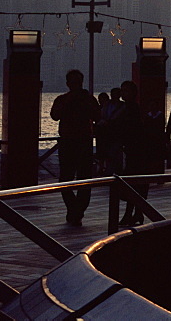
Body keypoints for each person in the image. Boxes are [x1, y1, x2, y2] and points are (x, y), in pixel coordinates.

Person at [50, 69, 100, 227]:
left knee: (84, 179)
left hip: (82, 142)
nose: (75, 85)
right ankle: (74, 208)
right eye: (73, 82)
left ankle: (76, 210)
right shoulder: (63, 99)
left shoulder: (88, 99)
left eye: (77, 82)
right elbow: (54, 115)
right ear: (68, 84)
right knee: (65, 179)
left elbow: (97, 116)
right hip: (68, 142)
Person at [119, 80, 147, 226]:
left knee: (130, 182)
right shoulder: (130, 107)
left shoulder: (131, 109)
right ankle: (136, 212)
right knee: (134, 182)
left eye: (125, 91)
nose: (123, 93)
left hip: (135, 150)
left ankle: (132, 213)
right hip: (133, 149)